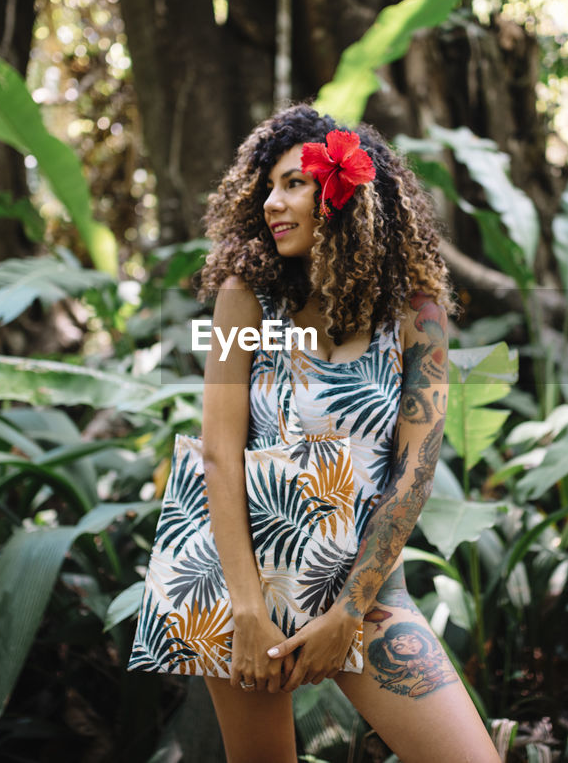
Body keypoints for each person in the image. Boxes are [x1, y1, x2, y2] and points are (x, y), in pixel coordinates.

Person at [190, 104, 501, 762]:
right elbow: (218, 454)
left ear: (343, 194)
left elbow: (414, 471)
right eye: (267, 187)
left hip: (364, 596)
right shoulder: (246, 298)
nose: (273, 202)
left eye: (293, 184)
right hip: (247, 593)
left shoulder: (418, 315)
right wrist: (246, 613)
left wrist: (349, 614)